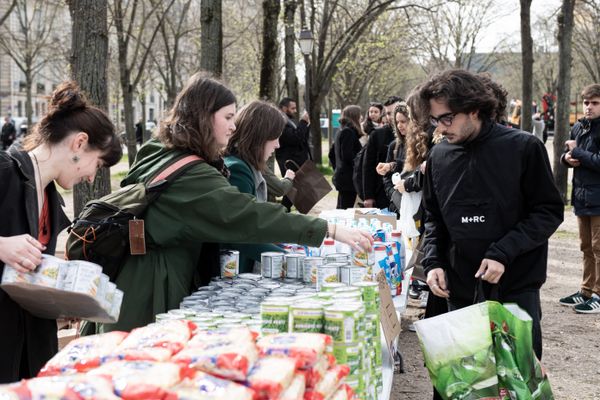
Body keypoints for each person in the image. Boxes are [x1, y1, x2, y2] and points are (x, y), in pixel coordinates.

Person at [101, 74, 373, 332]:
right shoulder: (195, 174)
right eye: (228, 117)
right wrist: (330, 230)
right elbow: (250, 215)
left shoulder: (159, 149)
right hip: (155, 284)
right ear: (203, 117)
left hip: (130, 275)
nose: (234, 125)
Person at [418, 69, 564, 360]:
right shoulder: (438, 156)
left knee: (516, 382)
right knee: (463, 383)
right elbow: (434, 217)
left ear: (473, 110)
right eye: (435, 120)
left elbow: (548, 211)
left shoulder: (523, 147)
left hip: (515, 288)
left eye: (446, 118)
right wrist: (432, 261)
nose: (440, 128)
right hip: (459, 289)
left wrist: (503, 253)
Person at [0, 81, 122, 382]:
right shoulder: (4, 171)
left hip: (33, 355)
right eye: (98, 164)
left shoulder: (51, 199)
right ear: (79, 144)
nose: (93, 176)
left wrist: (60, 300)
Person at [223, 100, 294, 272]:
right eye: (275, 138)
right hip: (235, 270)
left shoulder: (245, 164)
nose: (277, 144)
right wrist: (288, 259)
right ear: (259, 136)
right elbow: (242, 233)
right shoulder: (238, 169)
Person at [559, 84, 600, 313]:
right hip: (582, 196)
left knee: (599, 247)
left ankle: (598, 295)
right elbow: (571, 157)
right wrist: (567, 158)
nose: (589, 107)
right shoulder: (579, 127)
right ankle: (586, 290)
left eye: (595, 103)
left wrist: (577, 153)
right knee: (586, 247)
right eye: (586, 103)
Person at [362, 96, 402, 208]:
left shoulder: (414, 136)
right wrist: (368, 196)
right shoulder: (377, 135)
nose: (391, 117)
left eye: (394, 112)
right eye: (388, 113)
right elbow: (368, 166)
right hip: (382, 193)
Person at [275, 97, 312, 210]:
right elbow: (294, 138)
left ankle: (285, 212)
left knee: (295, 190)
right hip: (289, 161)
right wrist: (303, 122)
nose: (295, 111)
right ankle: (283, 212)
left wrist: (306, 125)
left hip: (295, 160)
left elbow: (301, 139)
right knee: (293, 190)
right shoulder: (280, 121)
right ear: (284, 108)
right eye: (293, 108)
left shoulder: (287, 120)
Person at [377, 103, 409, 214]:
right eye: (397, 122)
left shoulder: (420, 145)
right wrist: (393, 194)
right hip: (396, 205)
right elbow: (386, 177)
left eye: (403, 121)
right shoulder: (393, 146)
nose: (399, 125)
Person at [332, 105, 364, 209]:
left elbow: (331, 154)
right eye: (359, 115)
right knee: (345, 209)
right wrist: (359, 165)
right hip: (348, 179)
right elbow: (348, 156)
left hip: (343, 177)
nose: (361, 118)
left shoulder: (341, 131)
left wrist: (337, 168)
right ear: (355, 116)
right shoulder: (348, 132)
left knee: (341, 207)